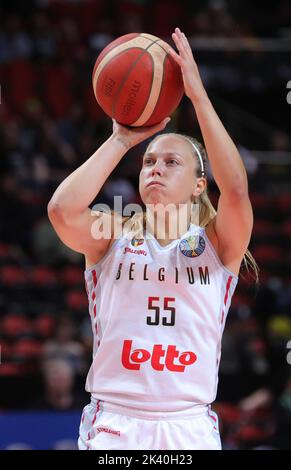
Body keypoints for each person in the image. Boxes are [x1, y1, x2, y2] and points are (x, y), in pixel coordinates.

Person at [47, 27, 258, 450]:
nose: (155, 168)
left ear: (200, 184)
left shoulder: (217, 246)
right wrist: (120, 139)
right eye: (148, 162)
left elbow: (235, 189)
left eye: (171, 161)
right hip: (117, 424)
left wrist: (199, 98)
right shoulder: (112, 235)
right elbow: (62, 212)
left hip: (188, 426)